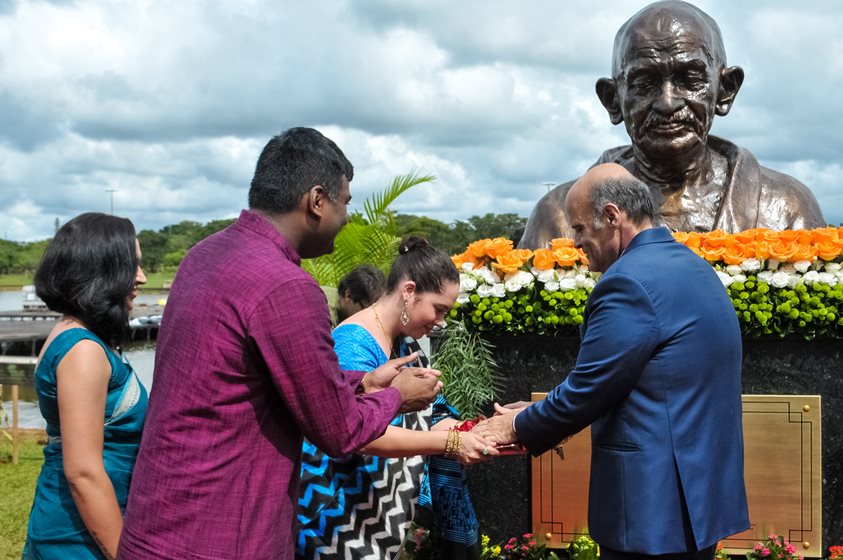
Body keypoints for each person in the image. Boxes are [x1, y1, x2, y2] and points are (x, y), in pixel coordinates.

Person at [118, 128, 443, 560]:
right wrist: (395, 398)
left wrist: (363, 382)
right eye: (345, 203)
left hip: (158, 521)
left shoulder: (204, 255)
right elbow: (339, 430)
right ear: (316, 200)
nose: (347, 217)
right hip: (222, 533)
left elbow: (252, 377)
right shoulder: (287, 286)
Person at [476, 163, 749, 559]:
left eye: (581, 228)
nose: (574, 241)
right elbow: (644, 380)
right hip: (697, 500)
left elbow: (591, 388)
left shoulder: (627, 282)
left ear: (611, 216)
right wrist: (544, 410)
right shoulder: (695, 267)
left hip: (652, 509)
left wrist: (513, 425)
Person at [519, 0, 826, 250]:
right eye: (644, 83)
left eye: (690, 79)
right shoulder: (558, 218)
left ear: (725, 91)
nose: (667, 103)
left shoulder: (785, 207)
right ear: (613, 99)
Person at [297, 237, 496, 560]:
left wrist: (474, 431)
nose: (440, 322)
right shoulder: (352, 346)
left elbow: (427, 414)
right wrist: (451, 444)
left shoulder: (404, 342)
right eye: (439, 309)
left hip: (370, 517)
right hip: (334, 518)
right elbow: (361, 436)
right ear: (409, 291)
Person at [23, 212, 149, 559]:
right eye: (132, 265)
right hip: (80, 539)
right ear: (103, 270)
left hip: (85, 526)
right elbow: (83, 472)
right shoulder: (83, 351)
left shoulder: (85, 338)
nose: (142, 277)